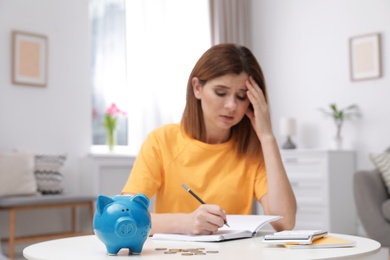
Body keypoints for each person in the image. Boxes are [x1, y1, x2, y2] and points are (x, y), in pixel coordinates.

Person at [121, 43, 296, 235]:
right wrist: (185, 223)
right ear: (197, 88)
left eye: (241, 96)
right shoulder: (161, 141)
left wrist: (267, 136)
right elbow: (126, 215)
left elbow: (285, 222)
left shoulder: (252, 150)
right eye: (221, 92)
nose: (231, 105)